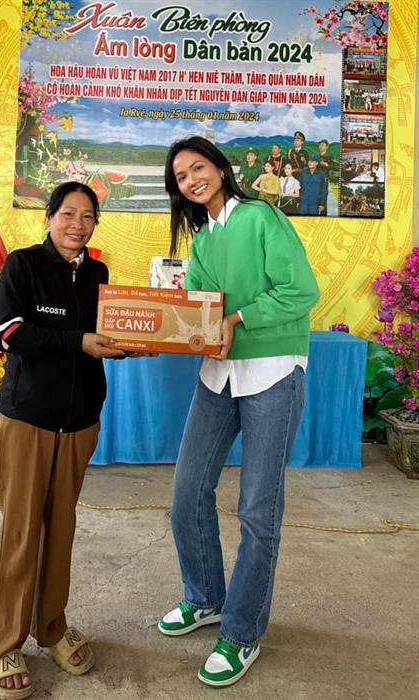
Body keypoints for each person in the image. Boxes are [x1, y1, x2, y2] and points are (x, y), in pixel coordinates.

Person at [158, 136, 319, 687]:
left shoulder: (261, 218)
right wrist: (161, 331)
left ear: (220, 168)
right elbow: (198, 311)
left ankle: (243, 630)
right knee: (187, 491)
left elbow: (300, 290)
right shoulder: (203, 241)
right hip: (218, 377)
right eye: (180, 176)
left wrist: (237, 319)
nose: (191, 180)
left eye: (197, 167)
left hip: (272, 371)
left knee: (257, 510)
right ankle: (205, 597)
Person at [0, 181, 126, 699]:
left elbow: (104, 334)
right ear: (49, 217)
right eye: (68, 213)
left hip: (80, 421)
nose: (77, 225)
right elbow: (5, 334)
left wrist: (131, 344)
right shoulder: (23, 265)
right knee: (22, 533)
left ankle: (50, 627)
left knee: (61, 529)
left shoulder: (97, 274)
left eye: (88, 217)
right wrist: (77, 341)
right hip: (29, 419)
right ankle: (4, 644)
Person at [317, 139, 336, 216]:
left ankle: (323, 216)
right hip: (315, 180)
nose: (320, 146)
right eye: (320, 145)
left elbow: (335, 167)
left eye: (323, 145)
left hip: (324, 179)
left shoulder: (330, 157)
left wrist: (326, 165)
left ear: (327, 147)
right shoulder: (316, 157)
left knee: (323, 199)